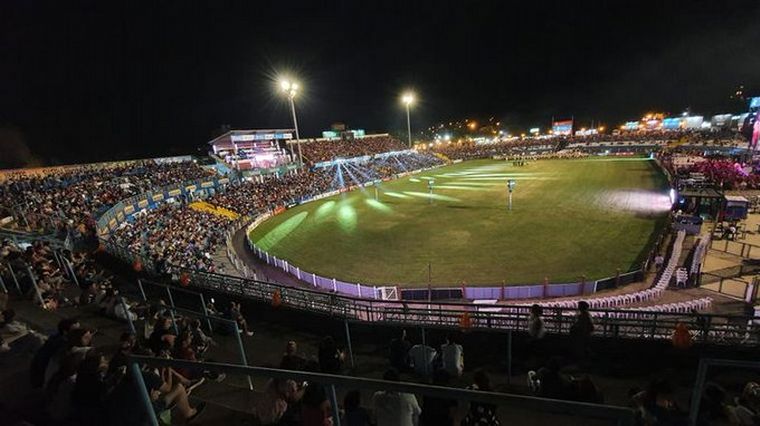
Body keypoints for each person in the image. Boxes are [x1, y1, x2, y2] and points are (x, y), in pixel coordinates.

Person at [30, 317, 80, 388]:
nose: (79, 332)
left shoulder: (56, 337)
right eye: (75, 330)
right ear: (65, 332)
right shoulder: (61, 345)